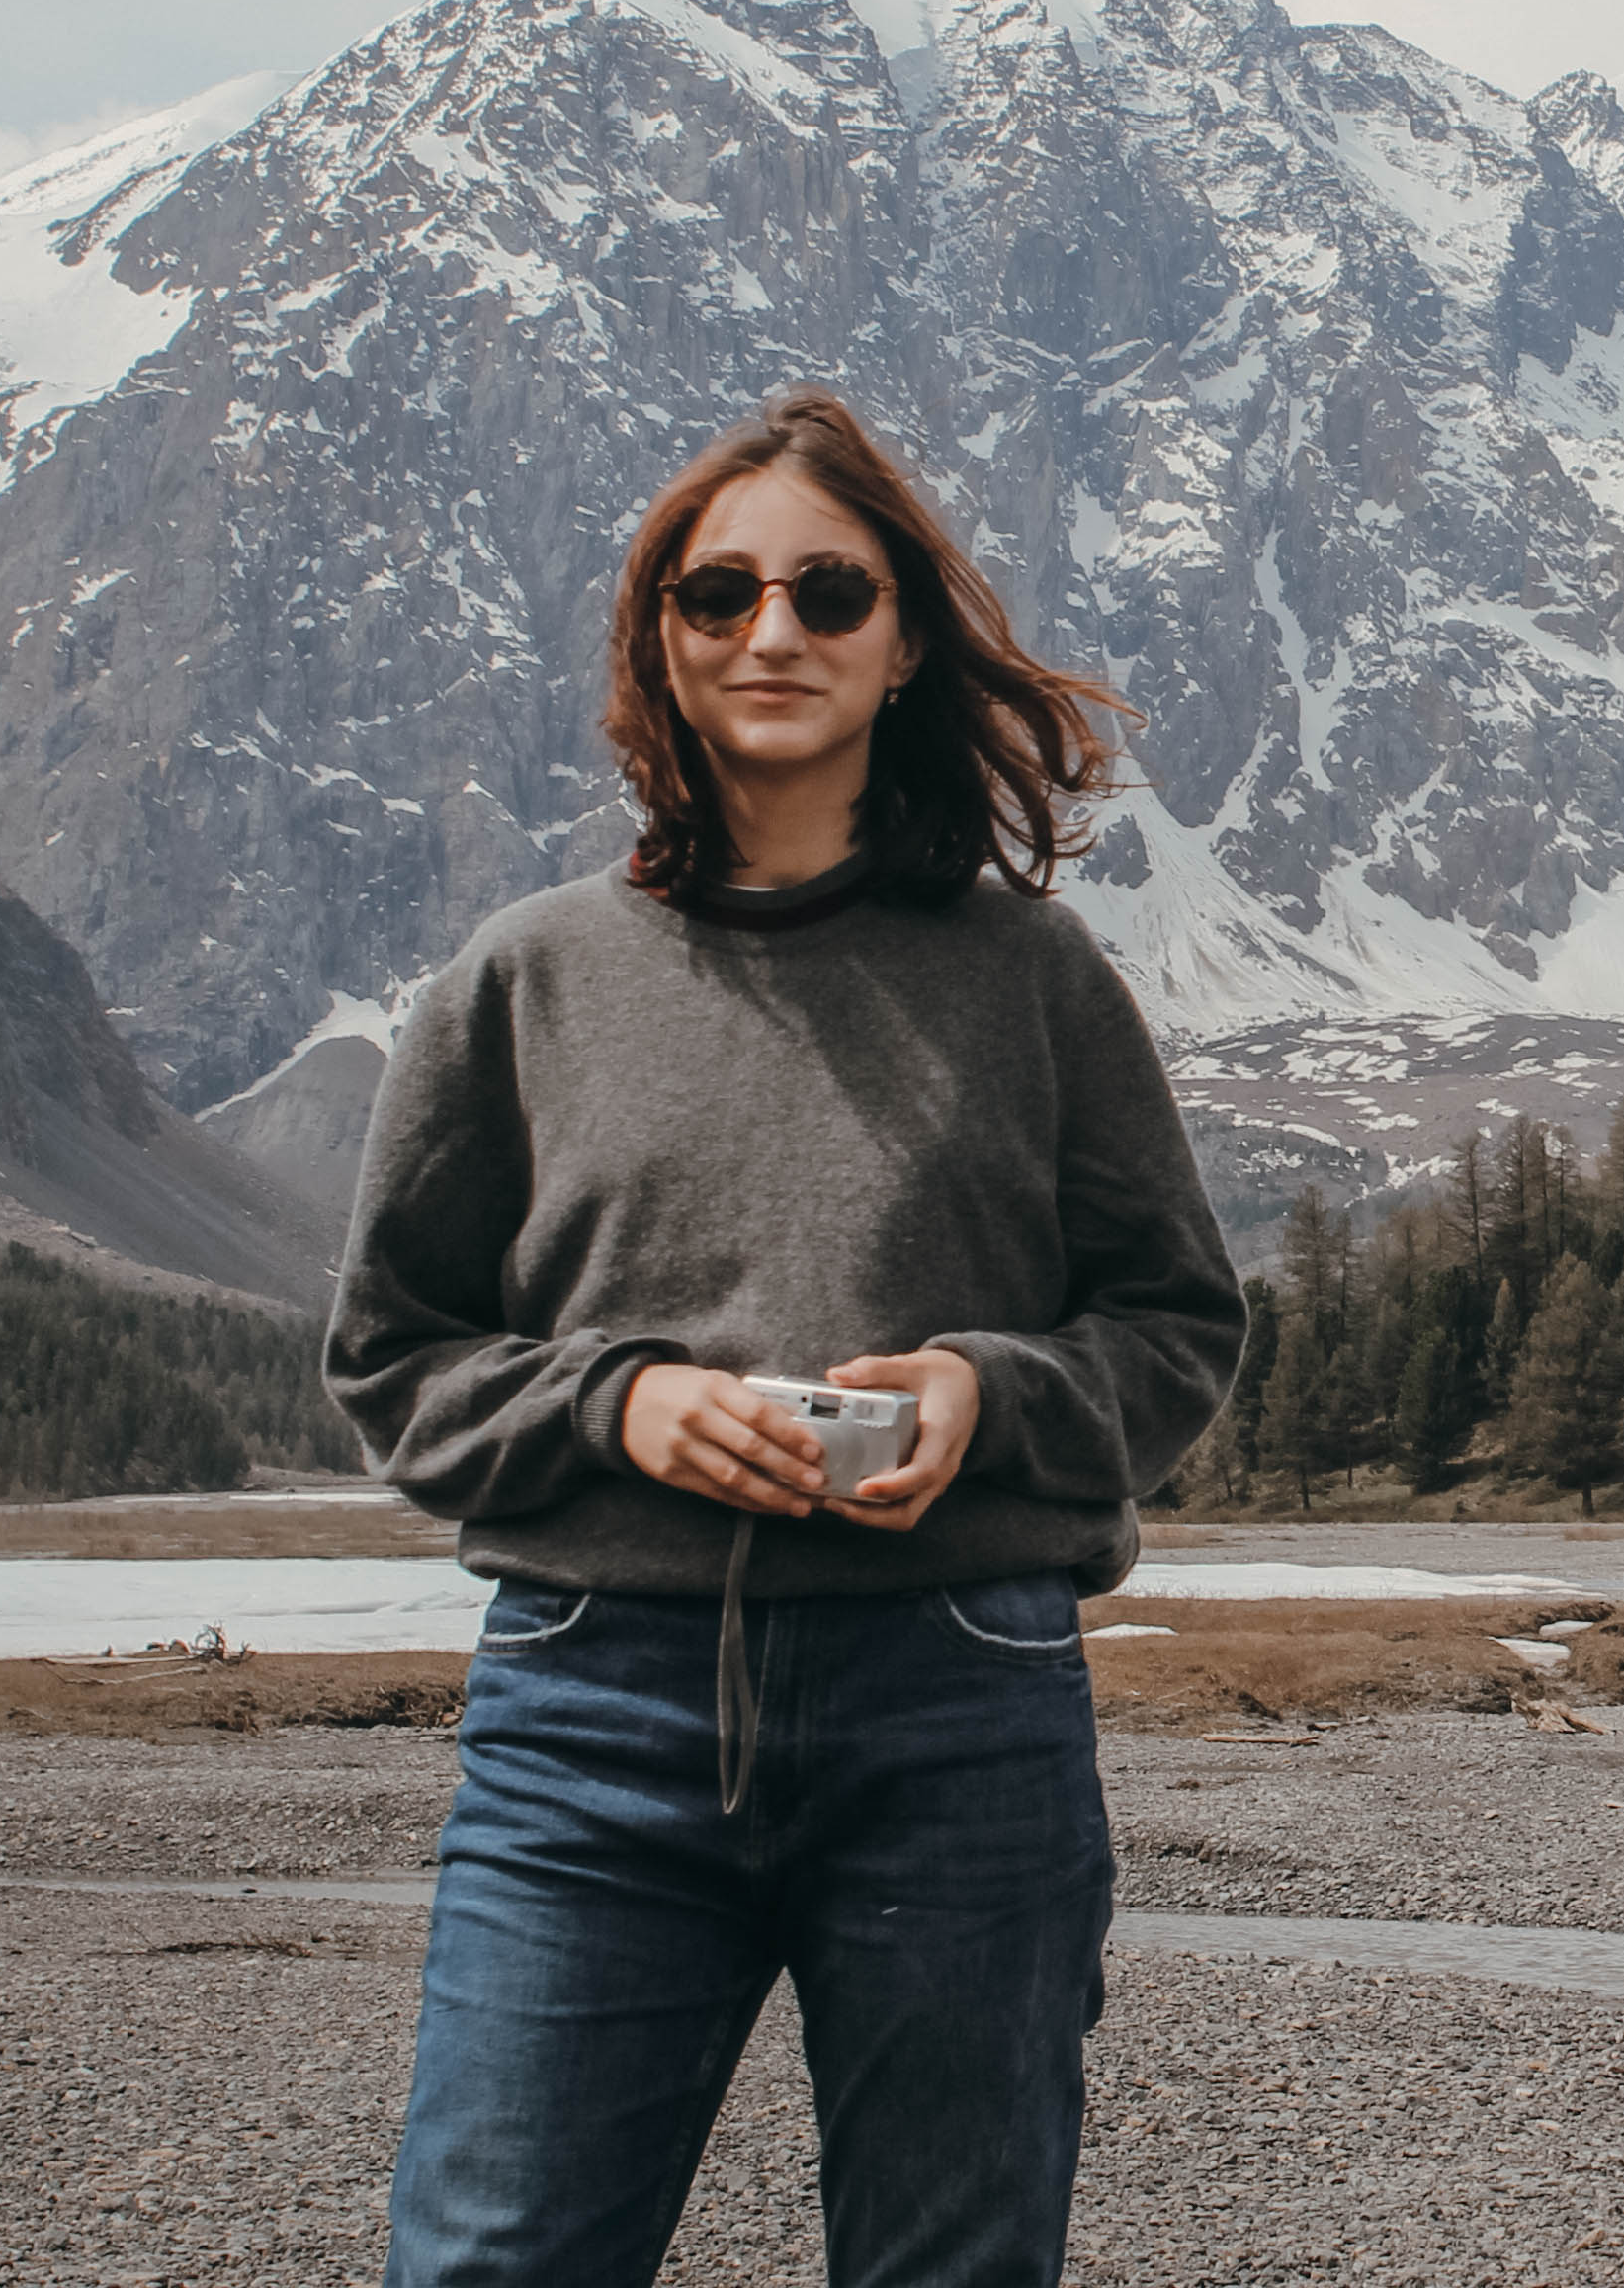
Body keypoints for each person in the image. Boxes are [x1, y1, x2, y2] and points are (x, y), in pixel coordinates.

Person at [330, 386, 1244, 2288]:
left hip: (962, 1704)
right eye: (717, 591)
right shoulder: (524, 976)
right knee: (490, 2261)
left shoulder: (1034, 977)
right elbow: (394, 1357)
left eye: (830, 594)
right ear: (656, 637)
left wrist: (990, 1396)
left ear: (905, 640)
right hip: (590, 1712)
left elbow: (1174, 1327)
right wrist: (621, 1402)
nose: (772, 634)